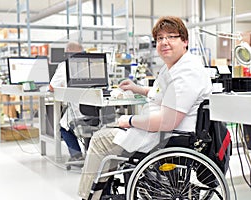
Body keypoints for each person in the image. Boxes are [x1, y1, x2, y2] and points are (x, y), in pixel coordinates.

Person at [78, 16, 213, 200]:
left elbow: (166, 122)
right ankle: (102, 189)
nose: (164, 42)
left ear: (185, 41)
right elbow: (160, 92)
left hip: (169, 136)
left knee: (100, 139)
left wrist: (130, 120)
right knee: (111, 133)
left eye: (171, 36)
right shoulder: (174, 67)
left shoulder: (187, 72)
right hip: (163, 131)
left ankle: (88, 196)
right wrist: (136, 88)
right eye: (159, 38)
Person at [49, 41, 84, 161]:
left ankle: (76, 155)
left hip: (78, 110)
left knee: (63, 126)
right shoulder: (92, 64)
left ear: (67, 53)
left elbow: (52, 87)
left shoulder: (64, 65)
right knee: (93, 126)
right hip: (97, 111)